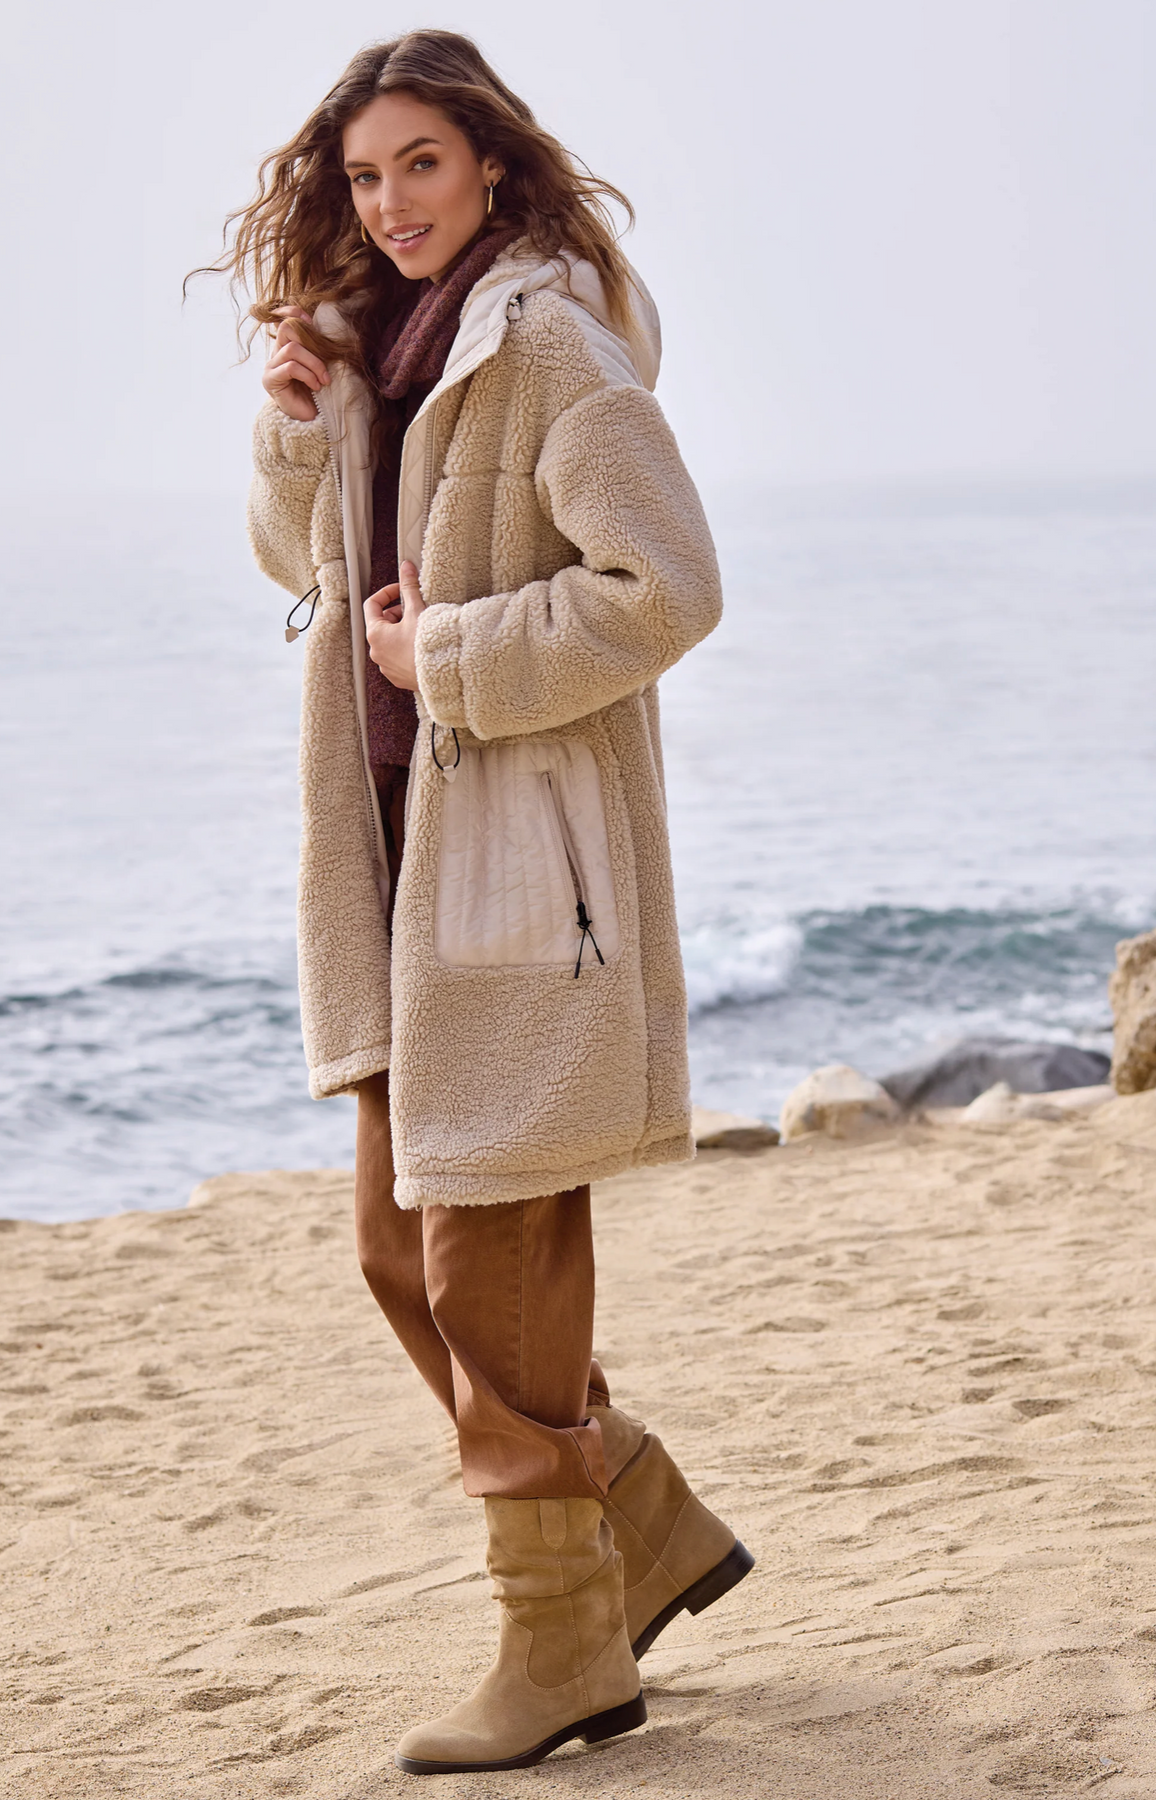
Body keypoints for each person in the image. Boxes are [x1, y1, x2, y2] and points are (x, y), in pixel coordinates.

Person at [225, 28, 752, 1775]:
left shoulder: (550, 349)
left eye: (422, 166)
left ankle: (563, 1644)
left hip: (519, 854)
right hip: (389, 856)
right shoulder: (374, 348)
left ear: (494, 166)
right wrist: (297, 424)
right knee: (400, 1248)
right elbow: (293, 559)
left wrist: (445, 656)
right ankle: (637, 1519)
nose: (390, 204)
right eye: (365, 176)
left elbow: (668, 588)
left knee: (484, 1254)